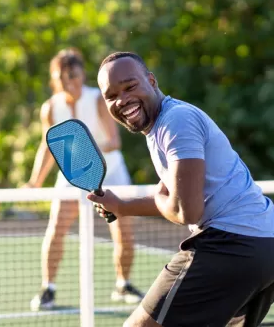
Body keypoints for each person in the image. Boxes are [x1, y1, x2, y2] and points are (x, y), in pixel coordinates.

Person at [90, 51, 274, 327]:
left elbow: (185, 209)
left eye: (130, 87)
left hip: (232, 244)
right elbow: (174, 197)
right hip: (264, 244)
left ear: (151, 80)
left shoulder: (176, 121)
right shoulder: (162, 125)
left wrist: (151, 200)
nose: (122, 100)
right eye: (111, 96)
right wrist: (121, 205)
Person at [26, 48, 144, 311]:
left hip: (111, 172)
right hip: (70, 177)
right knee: (56, 229)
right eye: (62, 76)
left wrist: (85, 154)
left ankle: (123, 284)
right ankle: (48, 289)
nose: (69, 80)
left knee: (123, 231)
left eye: (74, 74)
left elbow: (114, 141)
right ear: (54, 79)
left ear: (81, 74)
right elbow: (48, 146)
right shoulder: (50, 108)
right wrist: (35, 181)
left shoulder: (98, 99)